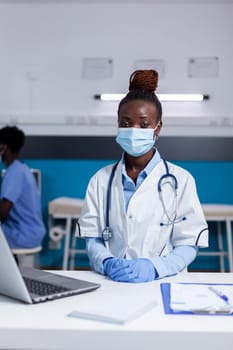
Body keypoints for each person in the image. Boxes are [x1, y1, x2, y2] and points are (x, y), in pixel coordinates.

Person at [77, 69, 208, 283]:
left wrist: (155, 267)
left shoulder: (181, 180)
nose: (133, 130)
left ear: (158, 128)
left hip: (164, 281)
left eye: (144, 124)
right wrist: (107, 262)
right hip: (112, 282)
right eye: (126, 123)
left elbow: (189, 242)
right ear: (118, 125)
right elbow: (93, 239)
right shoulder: (100, 180)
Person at [0, 125, 46, 249]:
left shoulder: (15, 172)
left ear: (4, 148)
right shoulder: (21, 169)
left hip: (24, 234)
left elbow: (3, 211)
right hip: (29, 231)